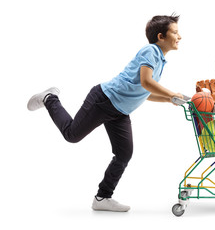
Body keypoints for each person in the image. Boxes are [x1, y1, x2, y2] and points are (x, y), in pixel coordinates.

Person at [27, 14, 183, 212]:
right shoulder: (150, 51)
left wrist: (170, 99)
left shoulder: (160, 61)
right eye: (175, 32)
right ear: (161, 36)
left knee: (124, 154)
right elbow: (146, 83)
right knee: (72, 135)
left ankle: (102, 198)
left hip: (120, 112)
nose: (180, 36)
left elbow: (144, 92)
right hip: (104, 99)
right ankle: (50, 98)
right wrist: (171, 93)